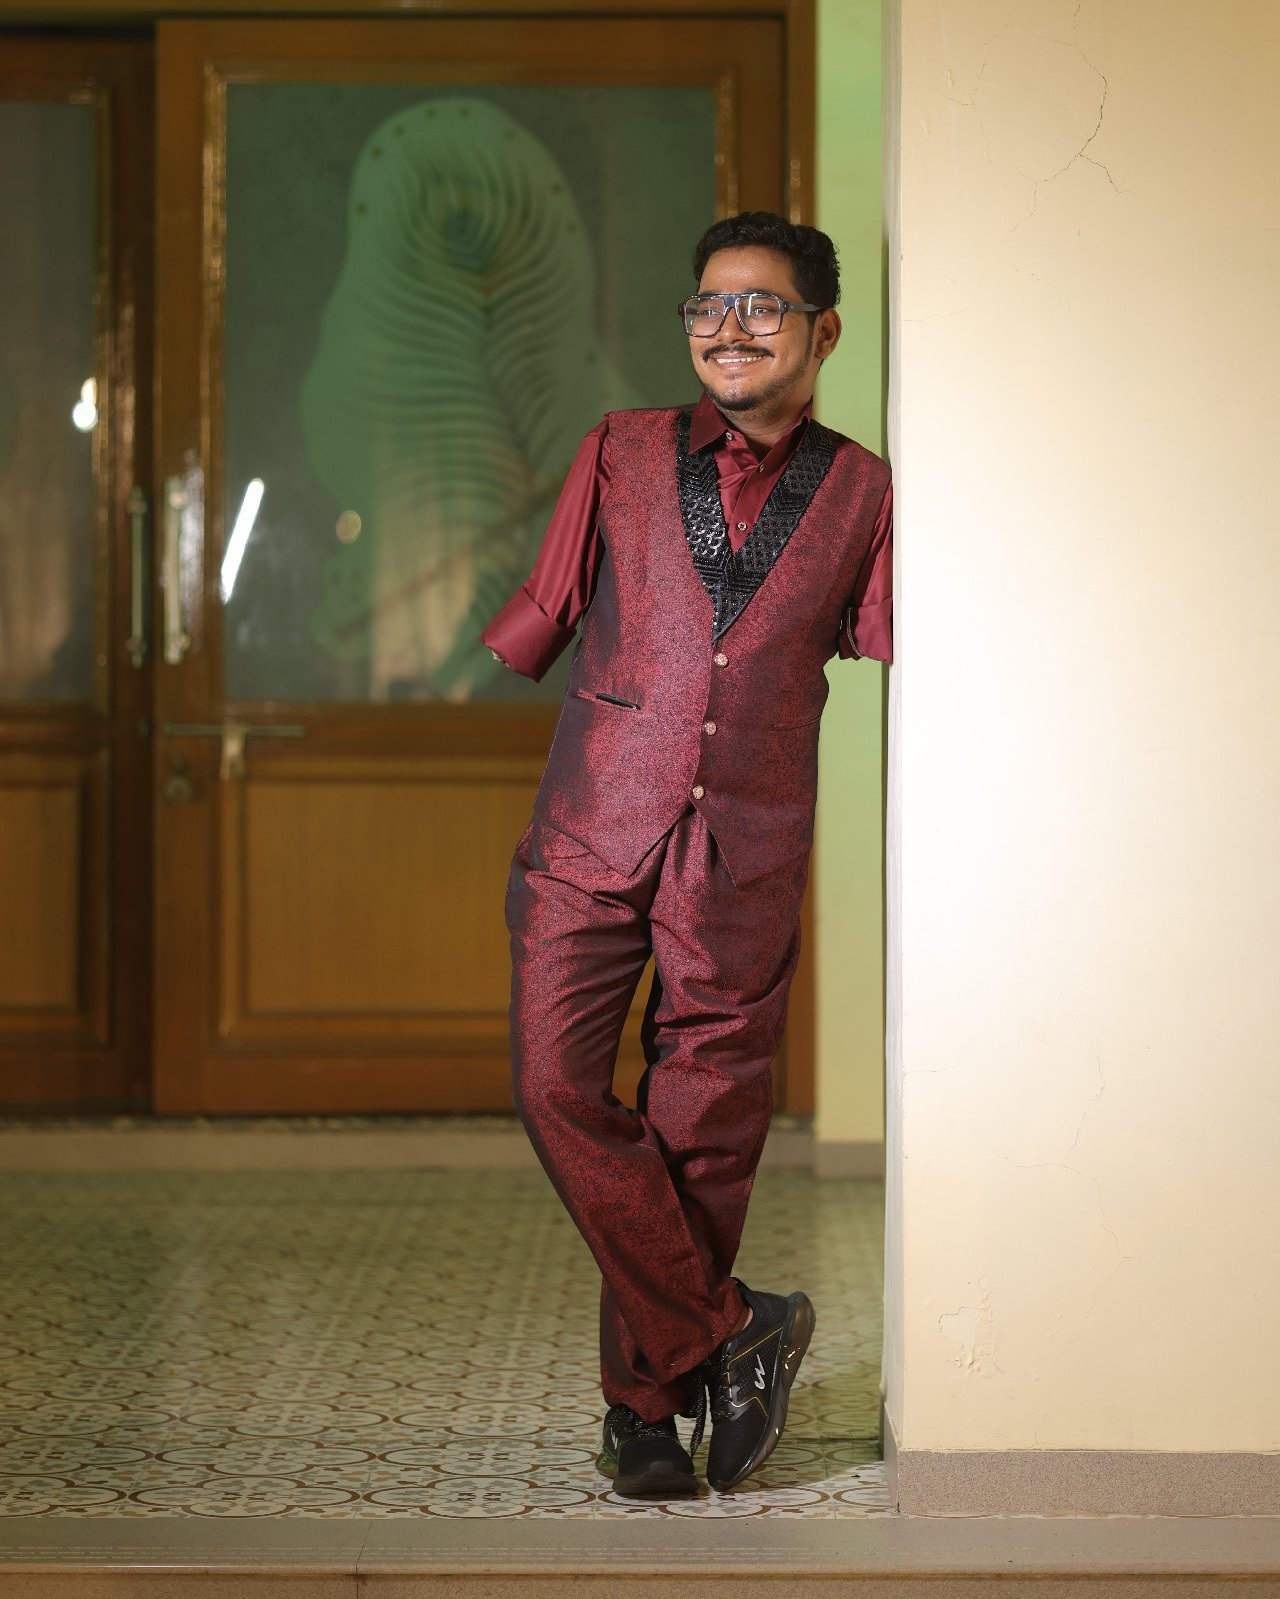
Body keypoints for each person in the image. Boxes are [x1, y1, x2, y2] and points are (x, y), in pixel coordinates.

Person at [480, 211, 892, 1497]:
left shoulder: (866, 492)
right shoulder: (617, 450)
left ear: (823, 331)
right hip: (589, 831)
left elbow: (904, 644)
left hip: (744, 851)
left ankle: (643, 1414)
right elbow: (543, 617)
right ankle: (729, 1328)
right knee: (552, 1085)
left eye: (762, 306)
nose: (729, 328)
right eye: (708, 305)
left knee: (699, 1137)